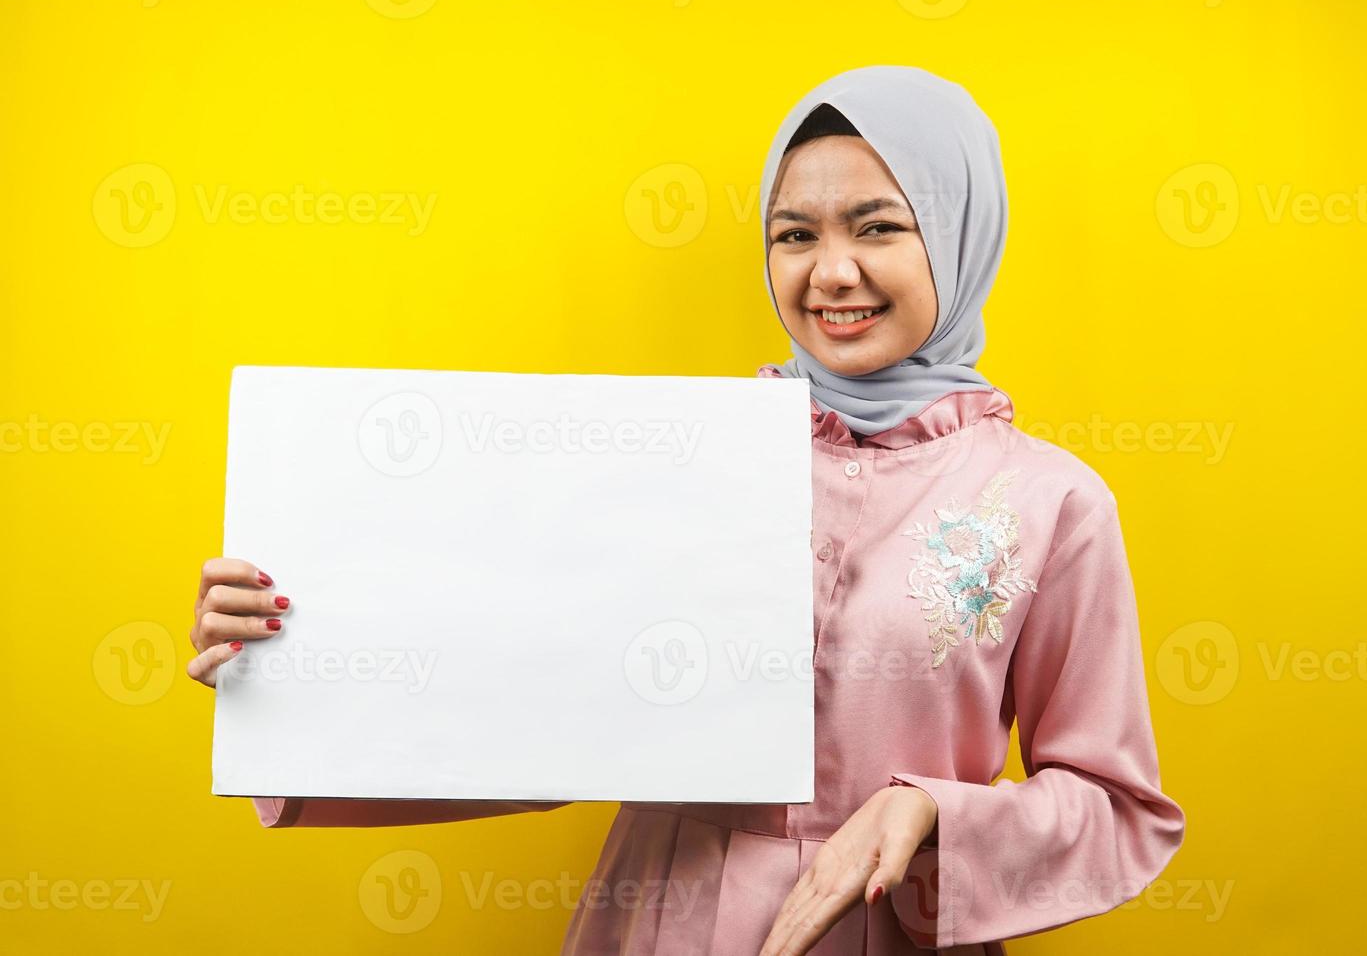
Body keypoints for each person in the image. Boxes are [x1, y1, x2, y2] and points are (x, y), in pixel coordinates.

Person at [188, 65, 1185, 955]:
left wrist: (931, 814)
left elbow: (1118, 805)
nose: (829, 272)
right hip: (659, 918)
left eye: (878, 225)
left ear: (963, 231)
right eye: (794, 234)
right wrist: (293, 666)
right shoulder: (683, 450)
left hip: (894, 927)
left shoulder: (1054, 503)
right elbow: (524, 693)